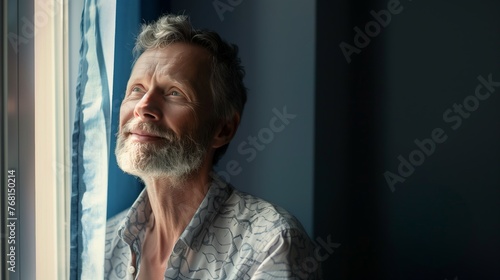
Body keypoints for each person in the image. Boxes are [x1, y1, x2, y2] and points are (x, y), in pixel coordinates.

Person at [104, 14, 320, 279]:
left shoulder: (271, 243)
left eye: (174, 93)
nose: (143, 107)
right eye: (136, 90)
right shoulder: (103, 244)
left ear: (223, 129)